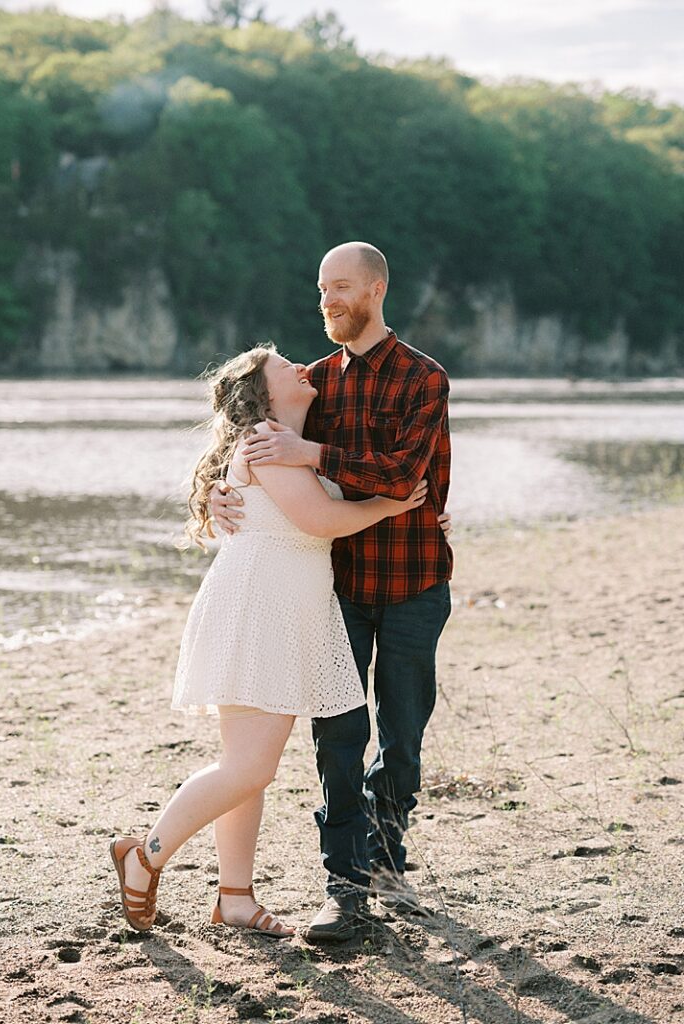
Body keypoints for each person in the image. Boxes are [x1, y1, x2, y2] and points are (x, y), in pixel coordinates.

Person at [110, 343, 430, 937]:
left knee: (244, 765)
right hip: (262, 607)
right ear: (263, 391)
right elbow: (321, 522)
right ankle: (146, 854)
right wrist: (391, 504)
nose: (300, 366)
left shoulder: (282, 441)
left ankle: (234, 897)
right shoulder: (264, 440)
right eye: (284, 366)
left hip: (276, 604)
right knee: (250, 768)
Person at [212, 241, 453, 942]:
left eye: (341, 288)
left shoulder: (423, 378)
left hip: (413, 582)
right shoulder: (311, 383)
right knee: (338, 740)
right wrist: (219, 498)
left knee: (400, 741)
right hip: (336, 589)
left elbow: (402, 470)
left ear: (376, 290)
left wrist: (314, 454)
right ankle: (345, 889)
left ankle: (387, 867)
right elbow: (246, 451)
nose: (328, 301)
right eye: (322, 289)